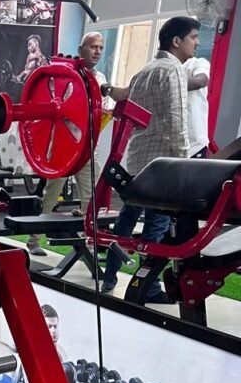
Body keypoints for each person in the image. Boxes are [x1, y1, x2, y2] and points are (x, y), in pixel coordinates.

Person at [101, 16, 199, 301]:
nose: (196, 43)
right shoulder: (173, 70)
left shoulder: (143, 71)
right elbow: (176, 120)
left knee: (126, 221)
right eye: (193, 37)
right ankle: (148, 288)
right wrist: (184, 163)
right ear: (176, 41)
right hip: (162, 165)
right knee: (157, 226)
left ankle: (109, 278)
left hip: (137, 161)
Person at [28, 32, 128, 256]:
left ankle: (88, 243)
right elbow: (61, 108)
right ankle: (33, 240)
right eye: (93, 47)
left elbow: (99, 110)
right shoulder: (67, 76)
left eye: (100, 47)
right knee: (51, 195)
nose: (97, 51)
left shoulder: (100, 78)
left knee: (91, 198)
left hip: (88, 147)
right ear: (81, 49)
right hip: (65, 146)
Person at [184, 53, 211, 158]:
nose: (197, 44)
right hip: (166, 146)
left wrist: (168, 80)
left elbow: (201, 81)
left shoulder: (198, 63)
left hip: (194, 146)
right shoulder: (157, 68)